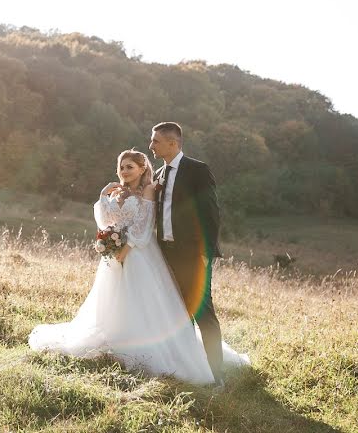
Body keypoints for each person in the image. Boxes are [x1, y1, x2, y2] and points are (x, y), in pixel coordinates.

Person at [28, 149, 247, 385]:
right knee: (113, 300)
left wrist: (124, 249)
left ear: (142, 169)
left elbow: (144, 226)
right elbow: (106, 221)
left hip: (139, 254)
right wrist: (104, 198)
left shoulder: (149, 189)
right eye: (122, 167)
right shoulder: (118, 192)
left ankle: (154, 352)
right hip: (115, 256)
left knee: (142, 302)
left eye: (130, 167)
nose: (124, 171)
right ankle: (115, 343)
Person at [149, 121, 226, 384]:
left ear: (173, 143)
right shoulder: (158, 175)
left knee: (203, 312)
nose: (151, 146)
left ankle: (218, 376)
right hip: (165, 255)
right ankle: (190, 370)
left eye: (155, 141)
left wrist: (207, 253)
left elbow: (211, 213)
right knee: (177, 313)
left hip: (194, 255)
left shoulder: (197, 170)